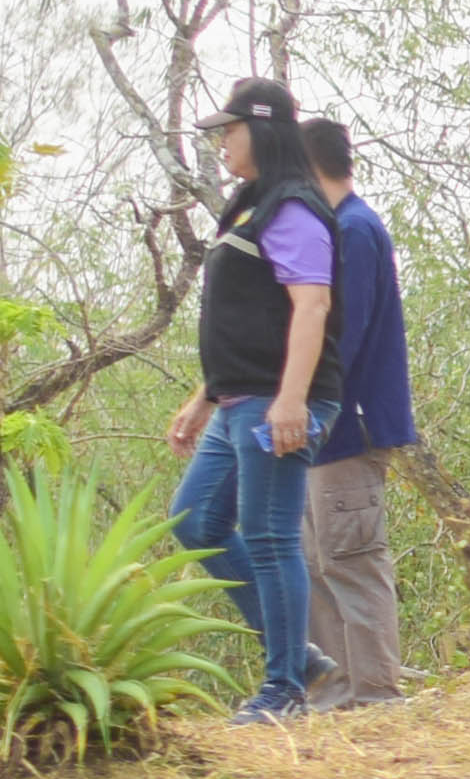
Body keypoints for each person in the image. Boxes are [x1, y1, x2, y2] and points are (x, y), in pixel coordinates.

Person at [167, 76, 342, 725]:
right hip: (238, 399)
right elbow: (245, 314)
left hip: (277, 402)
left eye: (230, 131)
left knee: (270, 538)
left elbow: (311, 305)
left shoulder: (293, 207)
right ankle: (295, 655)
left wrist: (293, 401)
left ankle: (284, 688)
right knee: (194, 521)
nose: (221, 143)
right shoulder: (248, 203)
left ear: (264, 130)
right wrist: (203, 398)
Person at [295, 117, 414, 713]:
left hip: (347, 425)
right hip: (320, 433)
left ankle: (375, 697)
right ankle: (338, 695)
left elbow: (346, 331)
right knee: (316, 562)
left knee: (352, 561)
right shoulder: (338, 230)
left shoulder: (355, 232)